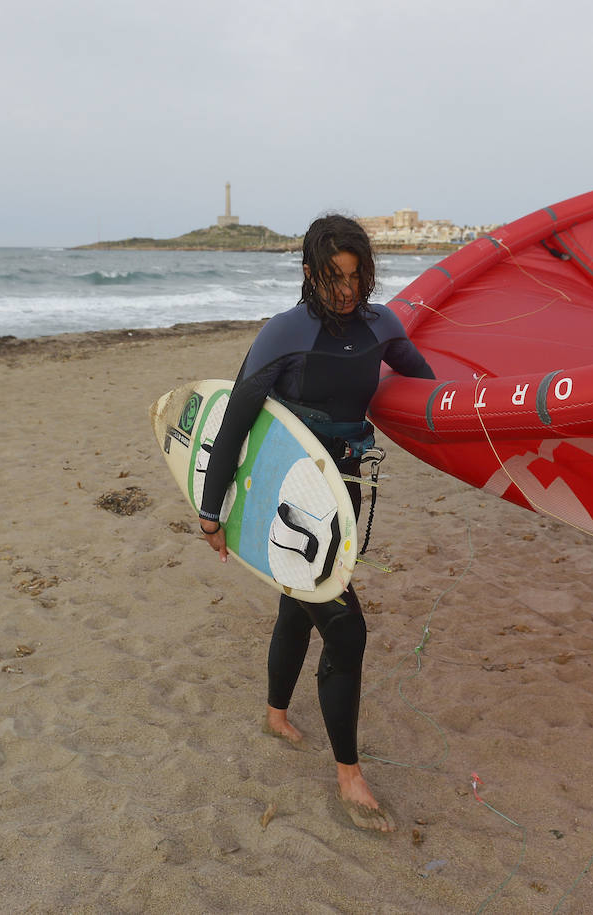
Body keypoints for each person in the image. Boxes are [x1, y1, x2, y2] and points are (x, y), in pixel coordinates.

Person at [196, 214, 435, 832]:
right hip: (289, 496)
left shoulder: (383, 326)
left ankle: (276, 712)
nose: (347, 291)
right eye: (333, 279)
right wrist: (211, 510)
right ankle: (348, 774)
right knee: (344, 628)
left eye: (356, 277)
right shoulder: (284, 334)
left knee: (294, 605)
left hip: (347, 492)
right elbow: (237, 424)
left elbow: (430, 387)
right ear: (309, 274)